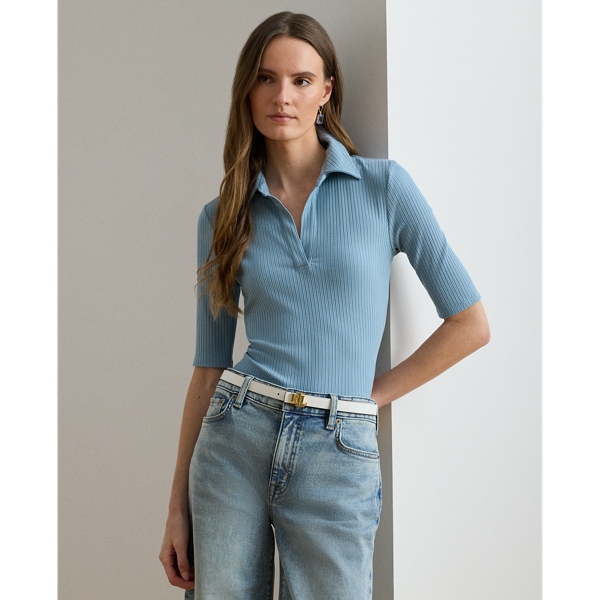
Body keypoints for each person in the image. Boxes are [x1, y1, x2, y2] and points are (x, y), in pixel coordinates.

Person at [159, 10, 490, 600]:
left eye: (301, 80)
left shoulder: (384, 188)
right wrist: (176, 508)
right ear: (247, 90)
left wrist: (366, 400)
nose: (281, 96)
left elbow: (470, 323)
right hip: (235, 439)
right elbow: (208, 370)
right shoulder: (222, 215)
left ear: (326, 91)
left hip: (339, 449)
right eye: (265, 78)